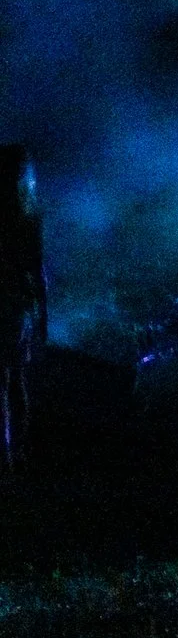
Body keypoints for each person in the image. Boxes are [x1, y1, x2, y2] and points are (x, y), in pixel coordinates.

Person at [0, 146, 45, 473]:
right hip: (21, 308)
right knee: (16, 380)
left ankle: (6, 458)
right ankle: (20, 448)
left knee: (3, 382)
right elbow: (38, 269)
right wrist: (43, 316)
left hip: (7, 304)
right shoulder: (29, 214)